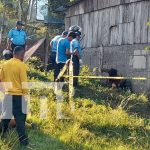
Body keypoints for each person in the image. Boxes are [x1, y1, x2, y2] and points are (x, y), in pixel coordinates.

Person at [0, 46, 29, 146]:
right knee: (20, 119)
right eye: (23, 55)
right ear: (21, 55)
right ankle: (23, 142)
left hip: (7, 95)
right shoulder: (21, 65)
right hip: (19, 96)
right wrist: (26, 96)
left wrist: (5, 91)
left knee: (5, 117)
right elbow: (24, 82)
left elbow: (0, 80)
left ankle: (3, 135)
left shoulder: (5, 64)